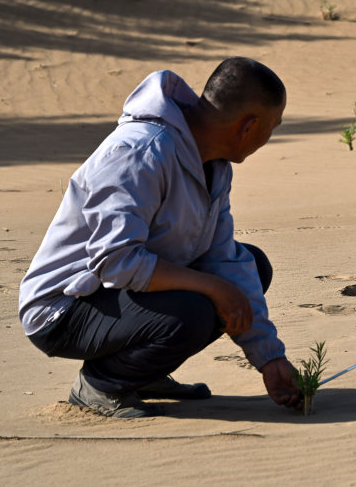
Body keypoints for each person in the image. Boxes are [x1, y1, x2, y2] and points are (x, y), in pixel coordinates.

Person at [18, 57, 301, 417]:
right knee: (198, 306)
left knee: (252, 268)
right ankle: (102, 384)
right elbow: (115, 261)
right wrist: (212, 287)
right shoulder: (139, 152)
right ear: (248, 127)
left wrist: (269, 358)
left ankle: (142, 373)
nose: (269, 138)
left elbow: (223, 259)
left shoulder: (215, 166)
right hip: (63, 308)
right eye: (272, 127)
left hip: (117, 298)